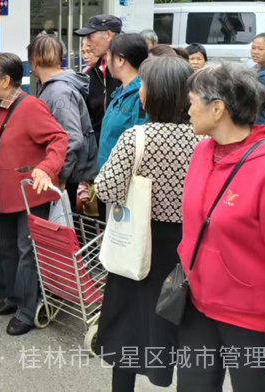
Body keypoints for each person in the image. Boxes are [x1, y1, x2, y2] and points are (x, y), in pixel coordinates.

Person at [177, 62, 265, 390]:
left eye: (192, 101)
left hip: (251, 320)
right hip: (197, 308)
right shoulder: (202, 152)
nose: (188, 109)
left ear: (217, 108)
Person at [95, 57, 201, 391]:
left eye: (143, 85)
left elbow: (107, 190)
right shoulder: (202, 141)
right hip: (187, 249)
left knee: (126, 328)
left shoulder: (136, 138)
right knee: (184, 328)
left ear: (153, 93)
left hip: (138, 244)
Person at [0, 53, 68, 336]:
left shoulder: (30, 106)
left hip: (31, 193)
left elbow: (59, 138)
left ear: (5, 80)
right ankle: (13, 297)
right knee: (7, 248)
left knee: (27, 251)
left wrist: (46, 168)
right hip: (4, 193)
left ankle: (28, 311)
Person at [29, 36, 98, 212]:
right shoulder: (56, 87)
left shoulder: (59, 92)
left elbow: (72, 138)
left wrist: (60, 177)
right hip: (71, 173)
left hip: (71, 177)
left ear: (34, 60)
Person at [97, 33, 149, 169]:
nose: (106, 61)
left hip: (122, 176)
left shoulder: (140, 95)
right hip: (108, 174)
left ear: (120, 60)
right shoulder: (121, 91)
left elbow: (140, 144)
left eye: (108, 56)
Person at [74, 14, 123, 138]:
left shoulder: (130, 72)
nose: (87, 43)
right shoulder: (92, 73)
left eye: (90, 37)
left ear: (108, 35)